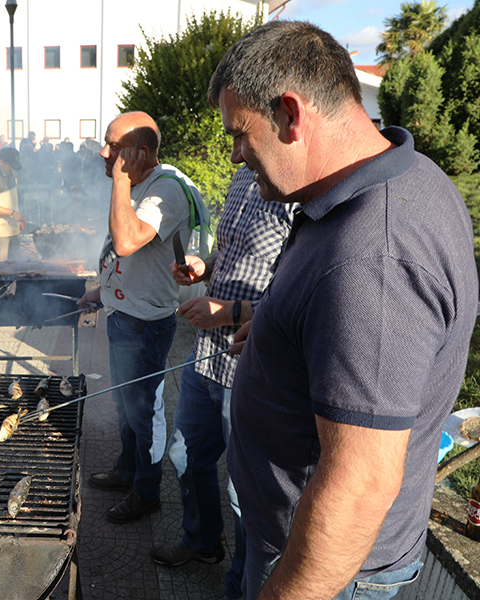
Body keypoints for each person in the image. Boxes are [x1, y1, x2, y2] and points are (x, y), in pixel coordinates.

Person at [208, 21, 478, 600]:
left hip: (325, 569)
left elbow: (359, 484)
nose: (236, 156)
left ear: (290, 113)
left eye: (240, 135)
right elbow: (357, 326)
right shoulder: (394, 178)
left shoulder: (373, 257)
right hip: (294, 542)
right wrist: (282, 322)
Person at [147, 165, 294, 600]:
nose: (233, 152)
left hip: (250, 365)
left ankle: (242, 585)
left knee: (242, 491)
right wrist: (202, 267)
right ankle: (202, 540)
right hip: (206, 357)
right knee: (183, 454)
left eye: (240, 135)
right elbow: (231, 255)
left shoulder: (298, 192)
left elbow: (296, 293)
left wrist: (231, 312)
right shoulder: (242, 178)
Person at [79, 111, 197, 524]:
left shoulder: (166, 190)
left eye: (113, 145)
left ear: (141, 153)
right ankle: (127, 469)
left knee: (144, 409)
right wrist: (104, 290)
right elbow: (132, 257)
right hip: (124, 312)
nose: (103, 151)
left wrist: (121, 179)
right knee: (125, 403)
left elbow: (127, 241)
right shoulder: (147, 182)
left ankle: (146, 492)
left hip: (145, 324)